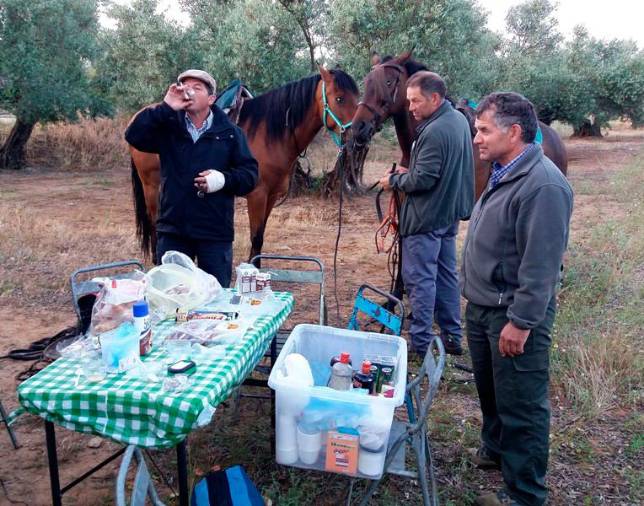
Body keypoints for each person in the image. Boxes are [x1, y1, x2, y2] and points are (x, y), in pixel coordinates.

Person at [461, 92, 573, 506]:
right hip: (484, 307)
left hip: (511, 315)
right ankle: (495, 450)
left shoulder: (543, 185)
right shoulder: (503, 170)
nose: (476, 138)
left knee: (522, 406)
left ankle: (524, 494)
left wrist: (522, 322)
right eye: (476, 130)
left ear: (514, 132)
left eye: (484, 130)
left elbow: (541, 265)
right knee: (492, 391)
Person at [125, 69, 258, 287]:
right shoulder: (168, 128)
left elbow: (250, 177)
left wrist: (223, 180)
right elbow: (133, 135)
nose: (190, 92)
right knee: (170, 297)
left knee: (215, 300)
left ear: (211, 99)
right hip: (173, 231)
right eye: (185, 87)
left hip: (214, 233)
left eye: (197, 88)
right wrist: (164, 107)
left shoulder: (231, 134)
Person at [379, 71, 474, 357]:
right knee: (446, 275)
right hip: (448, 215)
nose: (411, 108)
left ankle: (420, 343)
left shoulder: (433, 131)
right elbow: (435, 170)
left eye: (415, 101)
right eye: (408, 101)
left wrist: (393, 182)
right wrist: (412, 171)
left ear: (435, 98)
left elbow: (424, 180)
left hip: (426, 218)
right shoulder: (457, 120)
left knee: (420, 280)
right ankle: (452, 337)